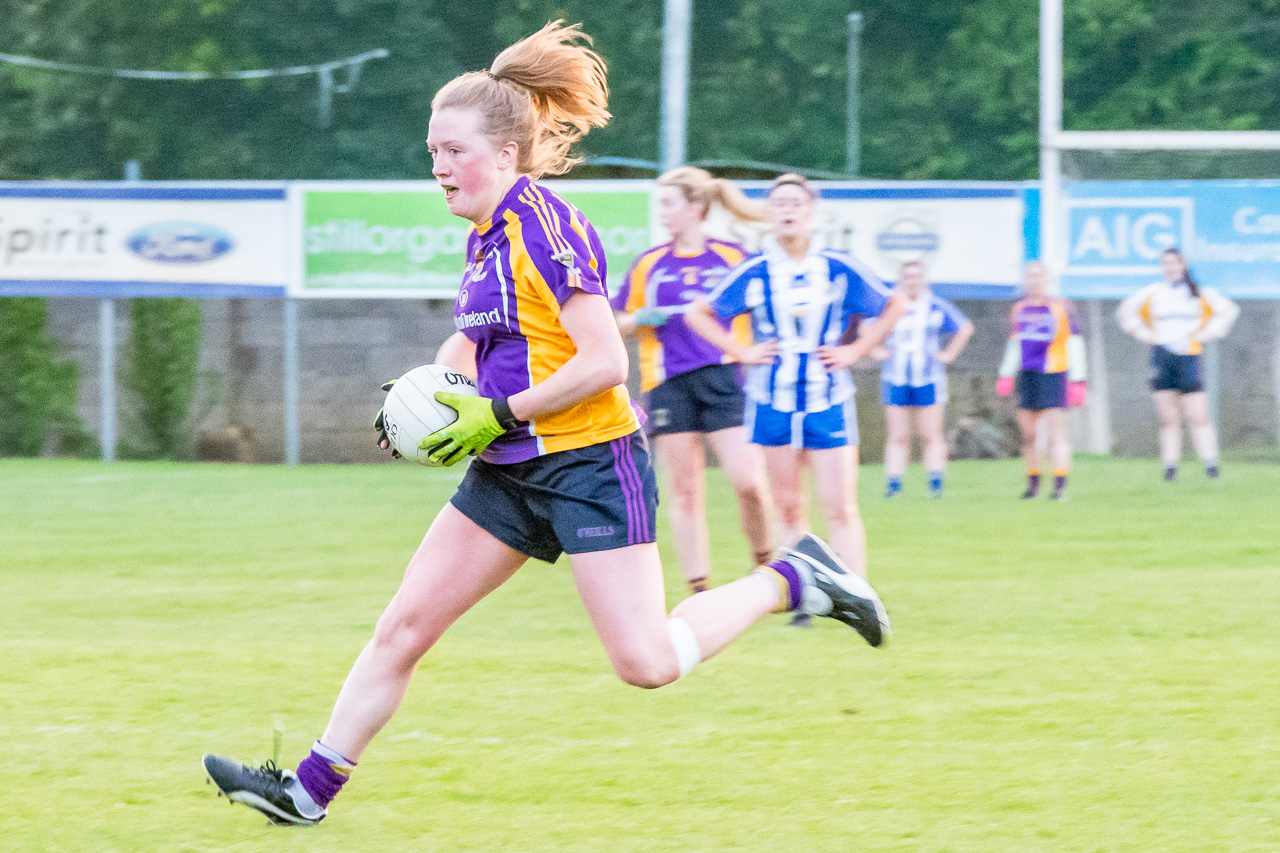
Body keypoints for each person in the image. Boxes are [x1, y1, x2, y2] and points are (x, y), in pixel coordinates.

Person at [201, 23, 890, 828]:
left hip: (590, 463)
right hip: (505, 467)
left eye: (452, 150)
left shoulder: (545, 226)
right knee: (404, 625)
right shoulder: (486, 236)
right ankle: (306, 791)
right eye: (431, 150)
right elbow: (473, 336)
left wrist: (494, 410)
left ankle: (796, 578)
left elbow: (606, 362)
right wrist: (421, 403)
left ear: (503, 153)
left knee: (647, 662)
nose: (438, 165)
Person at [686, 173, 908, 630]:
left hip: (828, 399)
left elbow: (895, 305)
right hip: (772, 402)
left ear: (810, 212)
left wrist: (855, 351)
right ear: (770, 214)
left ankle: (857, 595)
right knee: (789, 506)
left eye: (795, 202)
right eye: (779, 202)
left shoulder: (836, 266)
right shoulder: (756, 271)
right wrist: (743, 351)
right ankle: (803, 600)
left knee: (840, 505)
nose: (787, 209)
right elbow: (698, 313)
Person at [612, 166, 772, 595]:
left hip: (725, 379)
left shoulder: (733, 257)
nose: (662, 212)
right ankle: (699, 590)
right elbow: (611, 321)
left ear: (696, 207)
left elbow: (768, 306)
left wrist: (759, 350)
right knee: (684, 491)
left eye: (669, 203)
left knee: (749, 483)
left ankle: (767, 569)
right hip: (668, 384)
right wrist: (635, 319)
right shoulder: (649, 264)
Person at [1116, 247, 1239, 481]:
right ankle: (1170, 468)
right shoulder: (1154, 292)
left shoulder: (1199, 293)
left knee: (1197, 414)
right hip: (1163, 355)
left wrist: (1204, 334)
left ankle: (1211, 464)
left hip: (1189, 355)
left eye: (1175, 263)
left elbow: (1228, 312)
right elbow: (1126, 312)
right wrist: (1144, 334)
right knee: (1167, 417)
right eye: (1166, 263)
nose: (1170, 268)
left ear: (1183, 265)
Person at [872, 260, 974, 499]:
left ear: (924, 279)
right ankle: (894, 485)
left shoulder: (935, 306)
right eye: (908, 276)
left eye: (917, 276)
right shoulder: (891, 306)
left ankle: (935, 485)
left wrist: (948, 355)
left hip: (928, 378)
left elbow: (965, 328)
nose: (913, 281)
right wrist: (874, 351)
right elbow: (867, 330)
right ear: (901, 279)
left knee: (931, 434)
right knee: (897, 435)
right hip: (895, 377)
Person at [996, 261, 1087, 500]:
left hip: (1054, 373)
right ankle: (1033, 485)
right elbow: (1014, 343)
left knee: (1057, 433)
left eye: (1039, 276)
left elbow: (1074, 343)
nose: (1034, 281)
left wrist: (1078, 380)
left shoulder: (1061, 307)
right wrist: (1006, 373)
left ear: (1047, 280)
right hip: (1028, 375)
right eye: (1030, 276)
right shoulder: (1019, 309)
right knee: (1029, 434)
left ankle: (1059, 487)